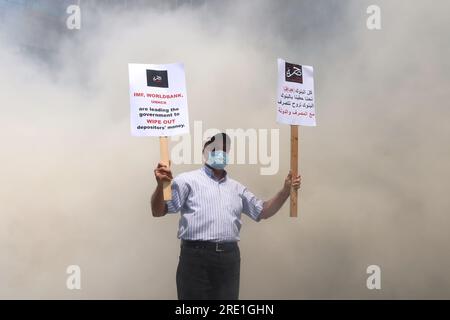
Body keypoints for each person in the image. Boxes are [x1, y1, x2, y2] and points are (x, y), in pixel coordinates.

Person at [151, 132, 301, 300]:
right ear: (205, 152)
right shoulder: (186, 181)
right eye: (215, 148)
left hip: (229, 258)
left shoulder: (237, 188)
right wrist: (159, 187)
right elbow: (158, 211)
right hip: (195, 257)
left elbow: (263, 211)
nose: (220, 153)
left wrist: (286, 191)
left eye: (225, 149)